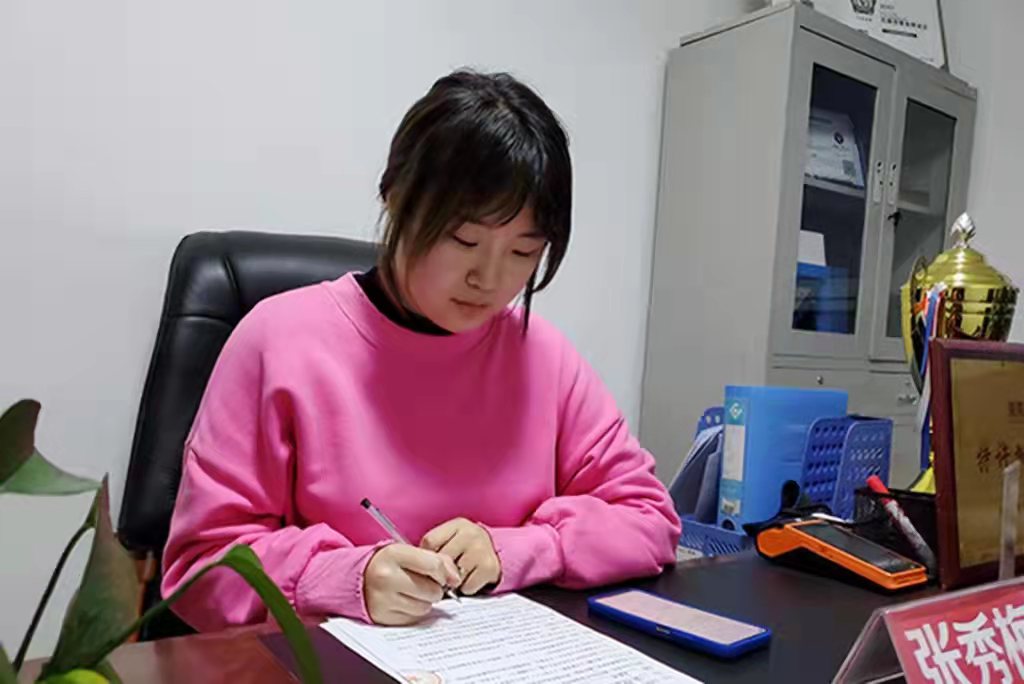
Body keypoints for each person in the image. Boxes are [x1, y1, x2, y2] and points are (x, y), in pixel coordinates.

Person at [162, 69, 681, 630]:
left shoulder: (542, 358)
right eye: (464, 240)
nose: (488, 279)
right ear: (396, 198)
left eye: (523, 252)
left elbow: (650, 520)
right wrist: (343, 577)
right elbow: (200, 570)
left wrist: (520, 548)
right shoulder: (278, 342)